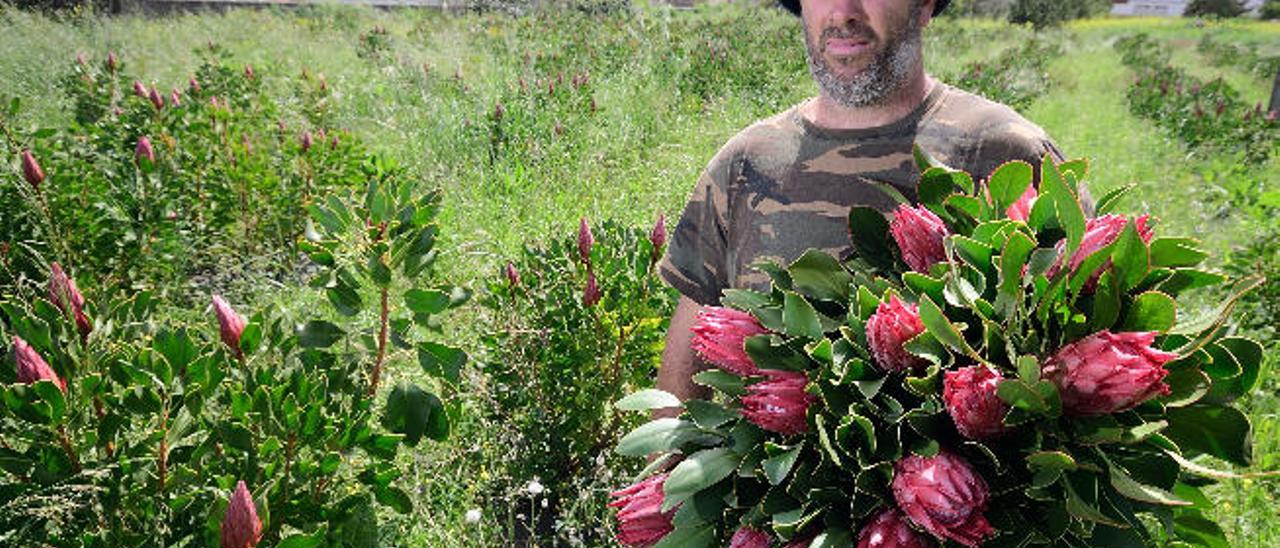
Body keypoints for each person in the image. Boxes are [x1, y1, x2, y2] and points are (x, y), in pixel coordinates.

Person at [655, 0, 1089, 408]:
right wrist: (665, 477)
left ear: (923, 5)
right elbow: (691, 351)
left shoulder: (1007, 153)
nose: (843, 12)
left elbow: (1094, 325)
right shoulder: (745, 163)